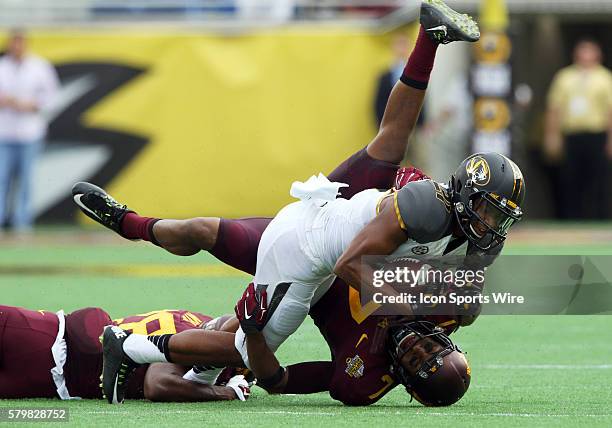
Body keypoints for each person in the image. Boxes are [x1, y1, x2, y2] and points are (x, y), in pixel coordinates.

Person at [75, 0, 490, 406]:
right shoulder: (443, 305)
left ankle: (184, 356)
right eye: (427, 348)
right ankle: (132, 230)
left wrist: (253, 345)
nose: (413, 344)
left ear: (403, 377)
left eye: (413, 360)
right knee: (389, 143)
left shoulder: (363, 382)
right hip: (340, 226)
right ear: (443, 337)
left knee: (212, 255)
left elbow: (280, 379)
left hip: (311, 264)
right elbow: (433, 265)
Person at [0, 305, 249, 401]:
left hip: (57, 380)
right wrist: (227, 392)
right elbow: (158, 384)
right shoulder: (196, 343)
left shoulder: (197, 323)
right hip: (56, 342)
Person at [545, 38, 612, 219]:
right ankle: (571, 217)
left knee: (598, 179)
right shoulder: (564, 77)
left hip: (597, 135)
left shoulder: (605, 78)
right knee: (570, 178)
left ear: (598, 55)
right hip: (572, 135)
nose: (586, 55)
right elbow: (554, 108)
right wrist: (552, 136)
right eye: (583, 51)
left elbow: (609, 110)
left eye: (590, 51)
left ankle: (599, 217)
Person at [0, 29, 59, 231]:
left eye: (20, 43)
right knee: (1, 178)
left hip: (30, 132)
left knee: (26, 179)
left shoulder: (39, 67)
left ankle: (22, 222)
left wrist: (31, 105)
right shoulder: (2, 67)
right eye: (13, 43)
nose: (16, 47)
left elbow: (51, 98)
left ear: (25, 44)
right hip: (4, 132)